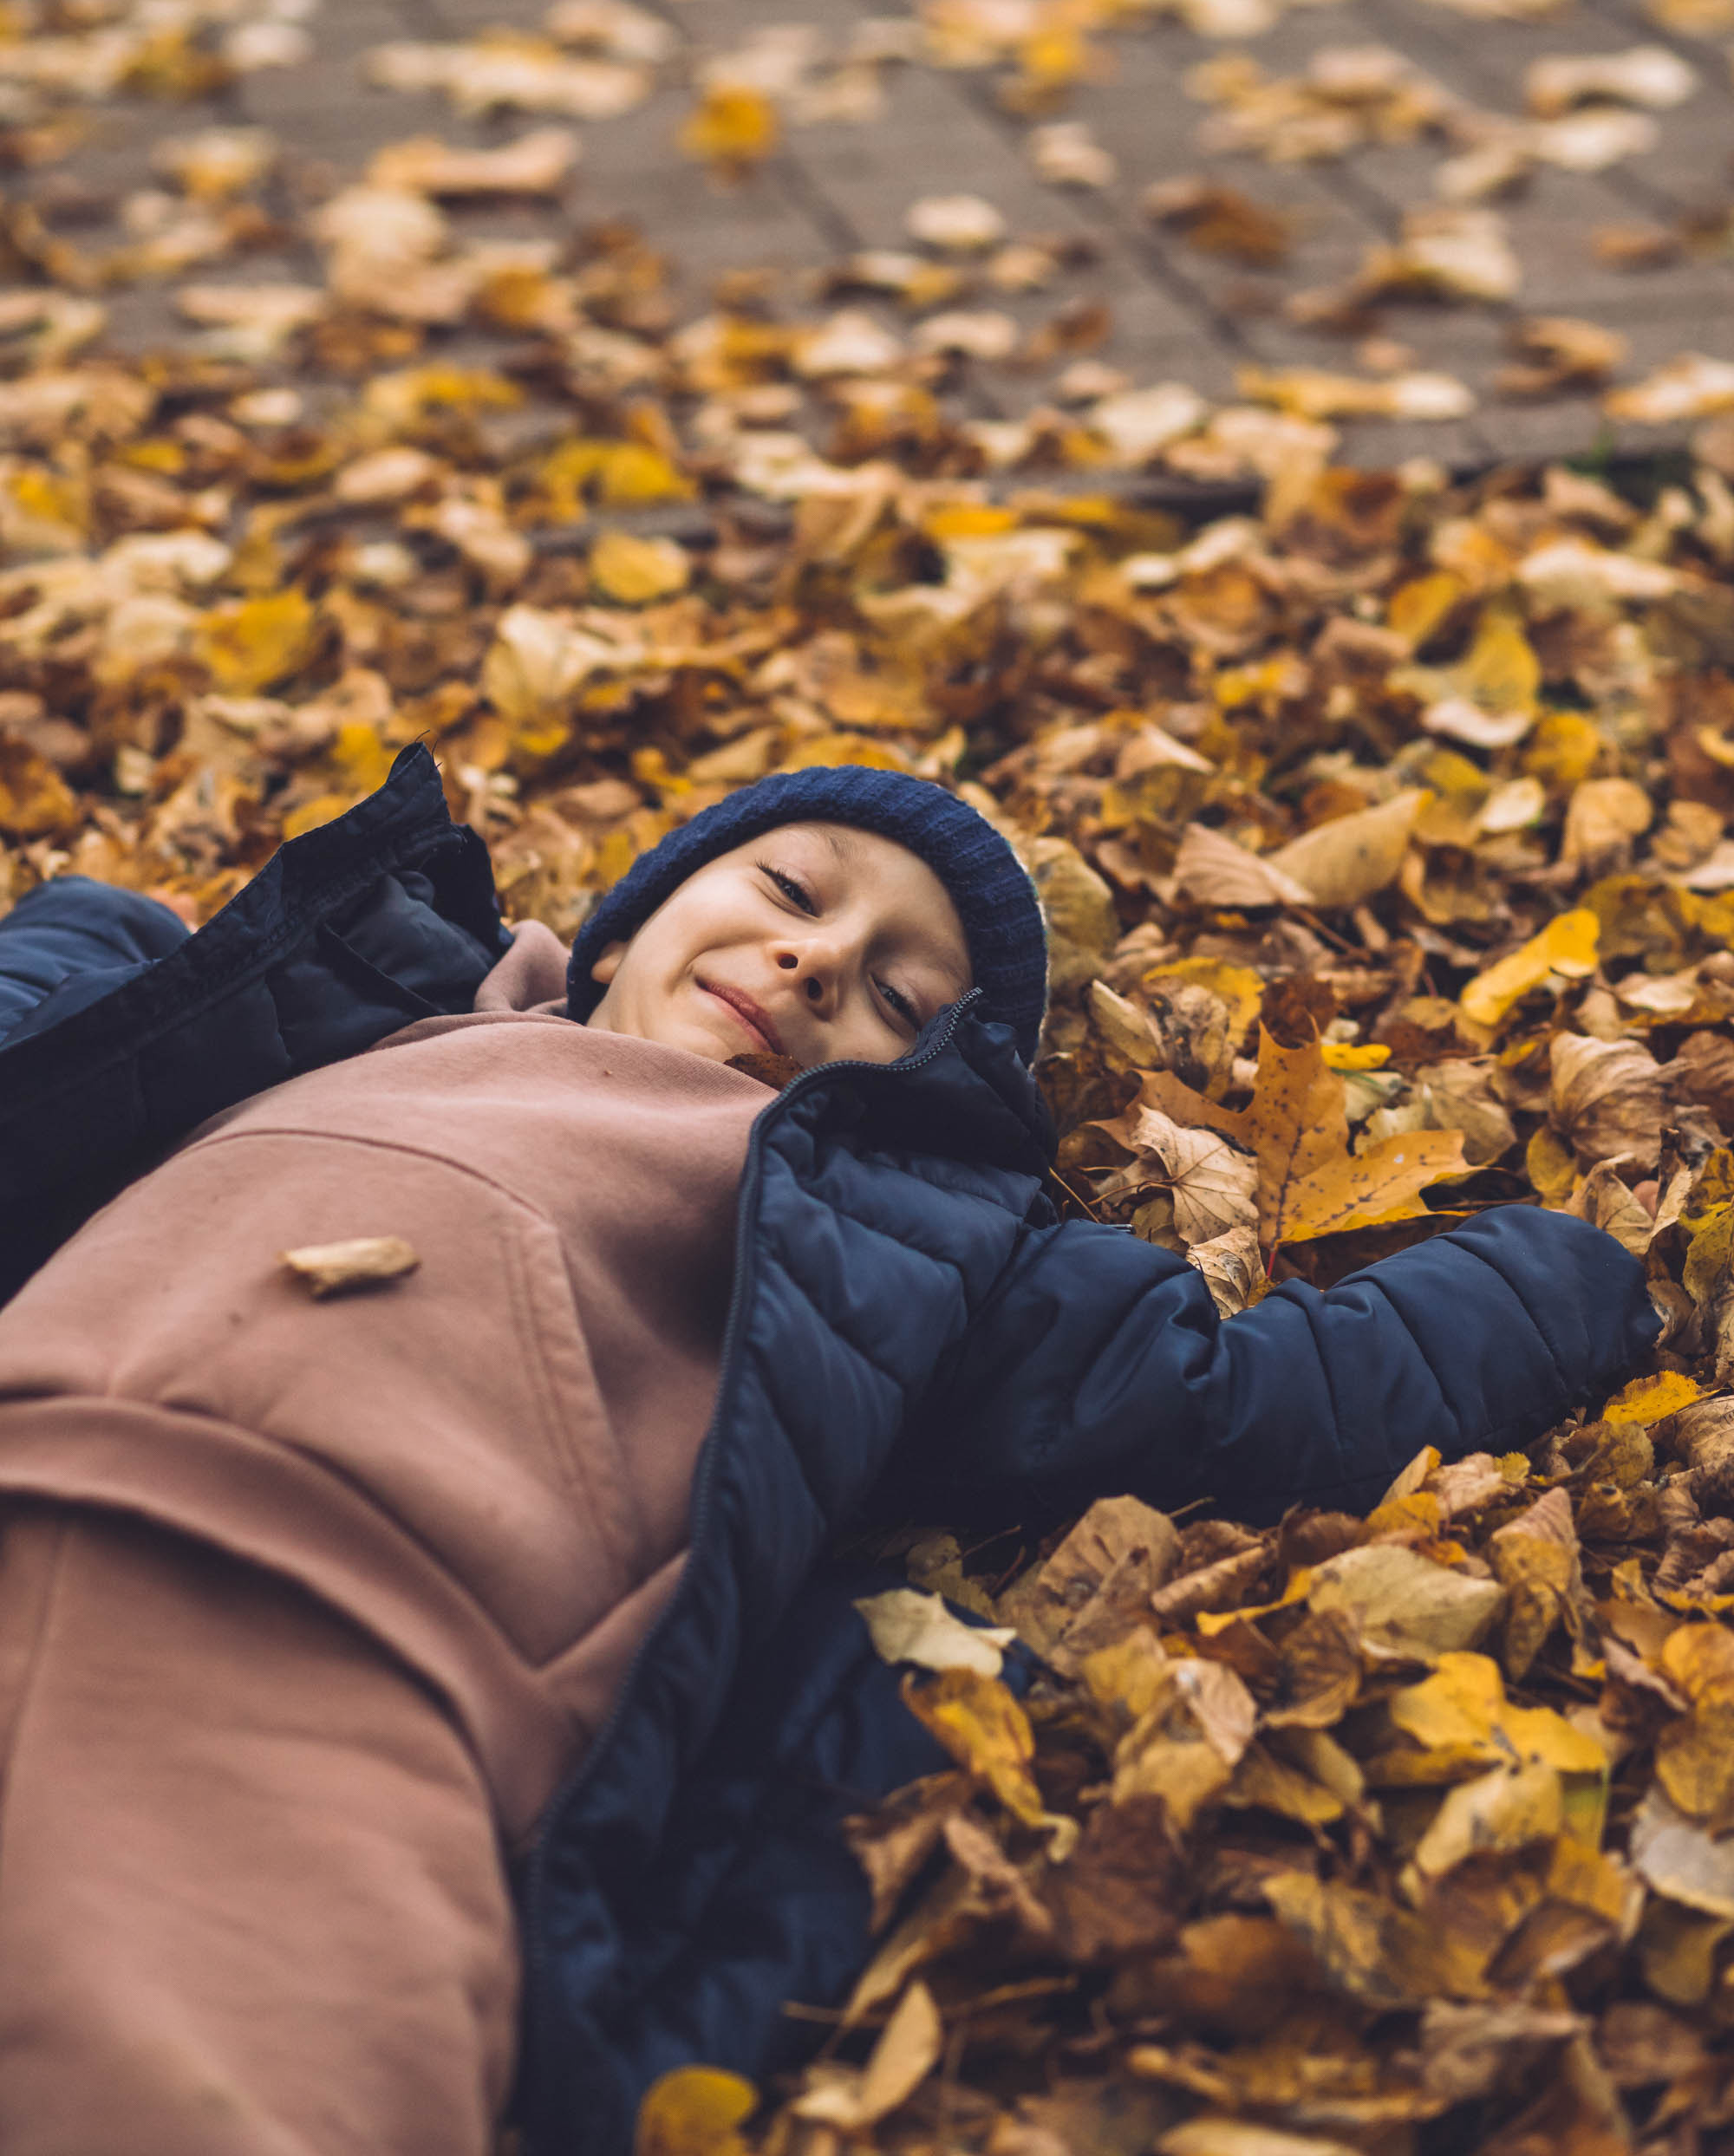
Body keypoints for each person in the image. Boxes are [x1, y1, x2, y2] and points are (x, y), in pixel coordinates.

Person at [0, 749, 1657, 2156]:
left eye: (898, 1000)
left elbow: (1254, 1398)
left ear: (924, 1100)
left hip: (353, 1680)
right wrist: (103, 927)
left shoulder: (876, 1238)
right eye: (794, 896)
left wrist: (1582, 1272)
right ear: (639, 913)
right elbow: (78, 1025)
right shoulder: (358, 1017)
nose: (815, 967)